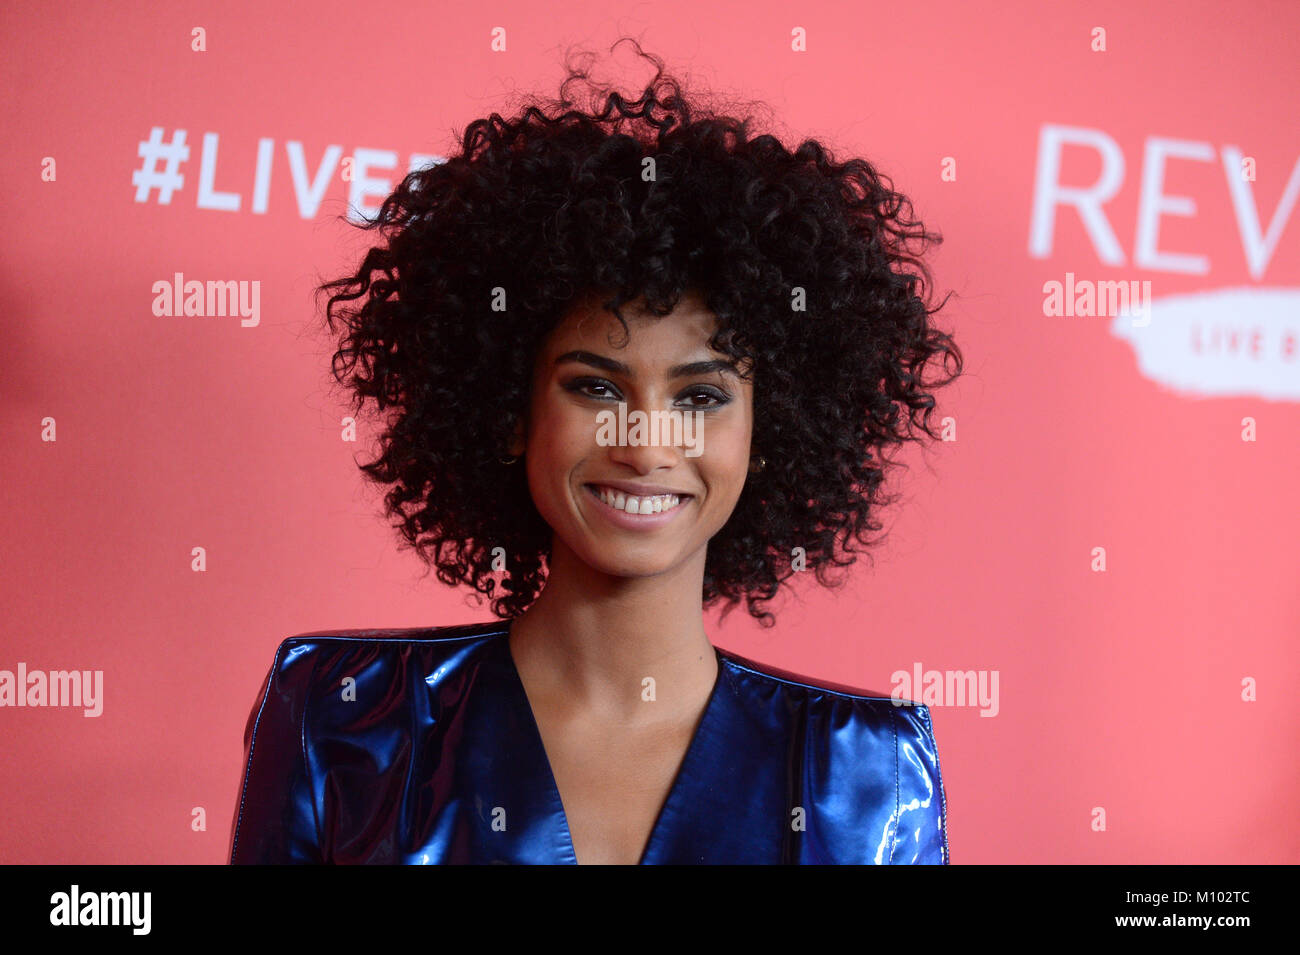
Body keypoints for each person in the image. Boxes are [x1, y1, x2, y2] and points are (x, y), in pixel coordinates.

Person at [229, 38, 962, 865]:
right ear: (511, 408)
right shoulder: (346, 716)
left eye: (701, 396)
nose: (647, 442)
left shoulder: (866, 773)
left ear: (770, 432)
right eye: (597, 387)